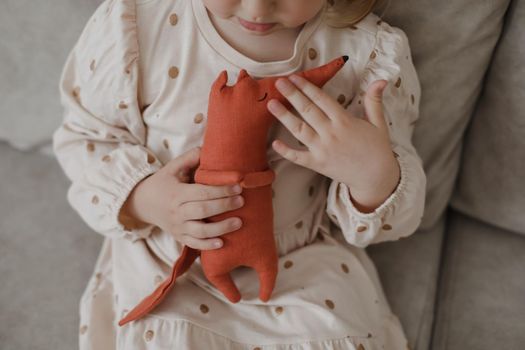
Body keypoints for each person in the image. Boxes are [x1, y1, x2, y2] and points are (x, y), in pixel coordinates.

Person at [52, 0, 426, 348]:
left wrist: (372, 176)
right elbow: (87, 140)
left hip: (304, 264)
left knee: (332, 332)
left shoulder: (368, 57)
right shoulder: (139, 26)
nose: (258, 7)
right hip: (167, 254)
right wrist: (147, 198)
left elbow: (398, 217)